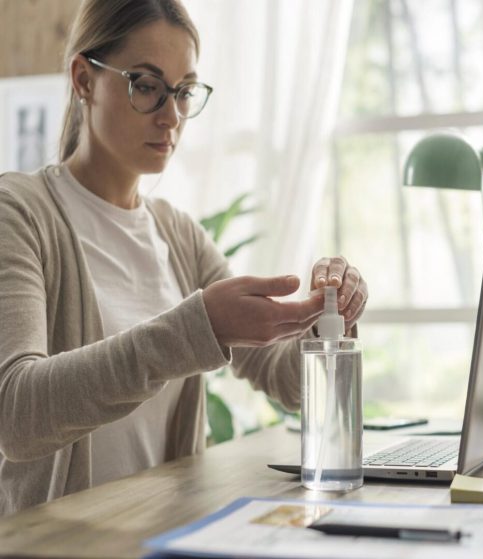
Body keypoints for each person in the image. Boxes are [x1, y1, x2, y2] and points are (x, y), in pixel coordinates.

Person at [0, 0, 368, 517]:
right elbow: (16, 415)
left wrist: (327, 318)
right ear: (84, 79)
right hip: (60, 543)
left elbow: (286, 380)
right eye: (147, 86)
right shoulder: (19, 214)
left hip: (169, 537)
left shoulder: (179, 236)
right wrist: (198, 329)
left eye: (184, 91)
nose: (171, 115)